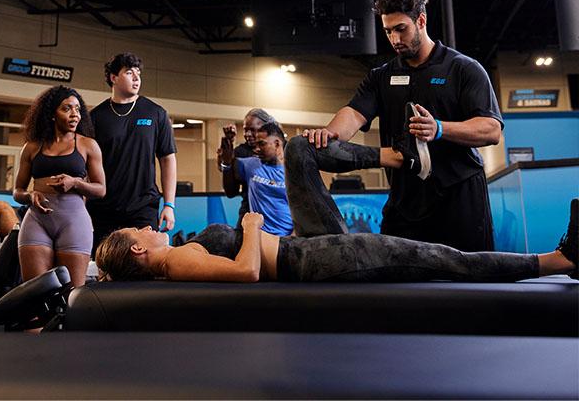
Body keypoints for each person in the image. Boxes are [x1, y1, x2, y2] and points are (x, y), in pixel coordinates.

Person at [95, 134, 578, 285]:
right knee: (437, 256)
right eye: (143, 229)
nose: (149, 226)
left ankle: (389, 156)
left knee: (300, 149)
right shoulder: (174, 261)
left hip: (303, 245)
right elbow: (246, 274)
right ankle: (557, 261)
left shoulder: (175, 257)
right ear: (139, 247)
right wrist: (249, 224)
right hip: (315, 260)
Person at [304, 0, 503, 251]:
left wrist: (440, 129)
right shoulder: (380, 76)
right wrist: (331, 134)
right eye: (388, 31)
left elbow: (491, 130)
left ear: (421, 21)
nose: (395, 39)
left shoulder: (464, 69)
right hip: (406, 198)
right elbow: (353, 113)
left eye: (401, 29)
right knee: (399, 283)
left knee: (470, 284)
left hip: (460, 195)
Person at [14, 84, 106, 287]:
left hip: (73, 222)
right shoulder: (31, 147)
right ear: (52, 114)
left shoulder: (87, 145)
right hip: (37, 221)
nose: (75, 115)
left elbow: (101, 189)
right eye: (67, 109)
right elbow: (17, 191)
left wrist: (75, 183)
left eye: (77, 109)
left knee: (70, 296)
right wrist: (30, 196)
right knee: (34, 294)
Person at [87, 53, 176, 251]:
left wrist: (169, 205)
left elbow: (167, 159)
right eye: (129, 73)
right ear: (113, 78)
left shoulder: (156, 113)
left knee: (143, 266)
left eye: (138, 73)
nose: (136, 78)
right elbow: (85, 166)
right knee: (104, 269)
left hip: (143, 207)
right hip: (103, 208)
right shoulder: (95, 117)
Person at [230, 122, 293, 236]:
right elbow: (227, 162)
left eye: (262, 144)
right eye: (256, 145)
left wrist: (293, 238)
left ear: (277, 143)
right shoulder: (251, 165)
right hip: (259, 237)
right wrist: (228, 142)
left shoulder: (294, 172)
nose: (257, 149)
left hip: (286, 238)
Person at [216, 108, 275, 224]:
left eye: (253, 130)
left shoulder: (282, 150)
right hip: (249, 216)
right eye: (245, 130)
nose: (248, 134)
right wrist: (227, 162)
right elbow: (231, 192)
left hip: (277, 216)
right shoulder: (240, 152)